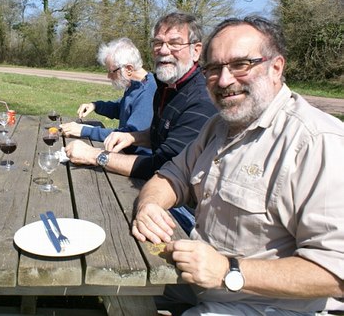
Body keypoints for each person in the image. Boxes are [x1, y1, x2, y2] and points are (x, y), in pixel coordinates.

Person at [133, 16, 344, 314]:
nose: (224, 80)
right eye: (214, 68)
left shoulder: (316, 141)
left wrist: (228, 270)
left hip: (268, 307)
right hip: (199, 284)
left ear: (276, 67)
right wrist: (150, 206)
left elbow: (336, 271)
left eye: (241, 64)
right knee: (99, 290)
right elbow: (170, 175)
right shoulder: (217, 127)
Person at [65, 12, 217, 233]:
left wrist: (94, 155)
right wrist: (134, 136)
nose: (164, 50)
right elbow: (162, 132)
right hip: (157, 186)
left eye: (174, 43)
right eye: (158, 43)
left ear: (196, 50)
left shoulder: (200, 100)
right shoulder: (168, 86)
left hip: (188, 209)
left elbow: (163, 166)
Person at [60, 37, 157, 155]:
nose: (108, 76)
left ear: (129, 69)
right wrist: (95, 105)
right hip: (124, 153)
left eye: (111, 71)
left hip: (136, 161)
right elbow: (122, 107)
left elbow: (127, 135)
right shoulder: (137, 84)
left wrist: (83, 130)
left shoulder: (148, 92)